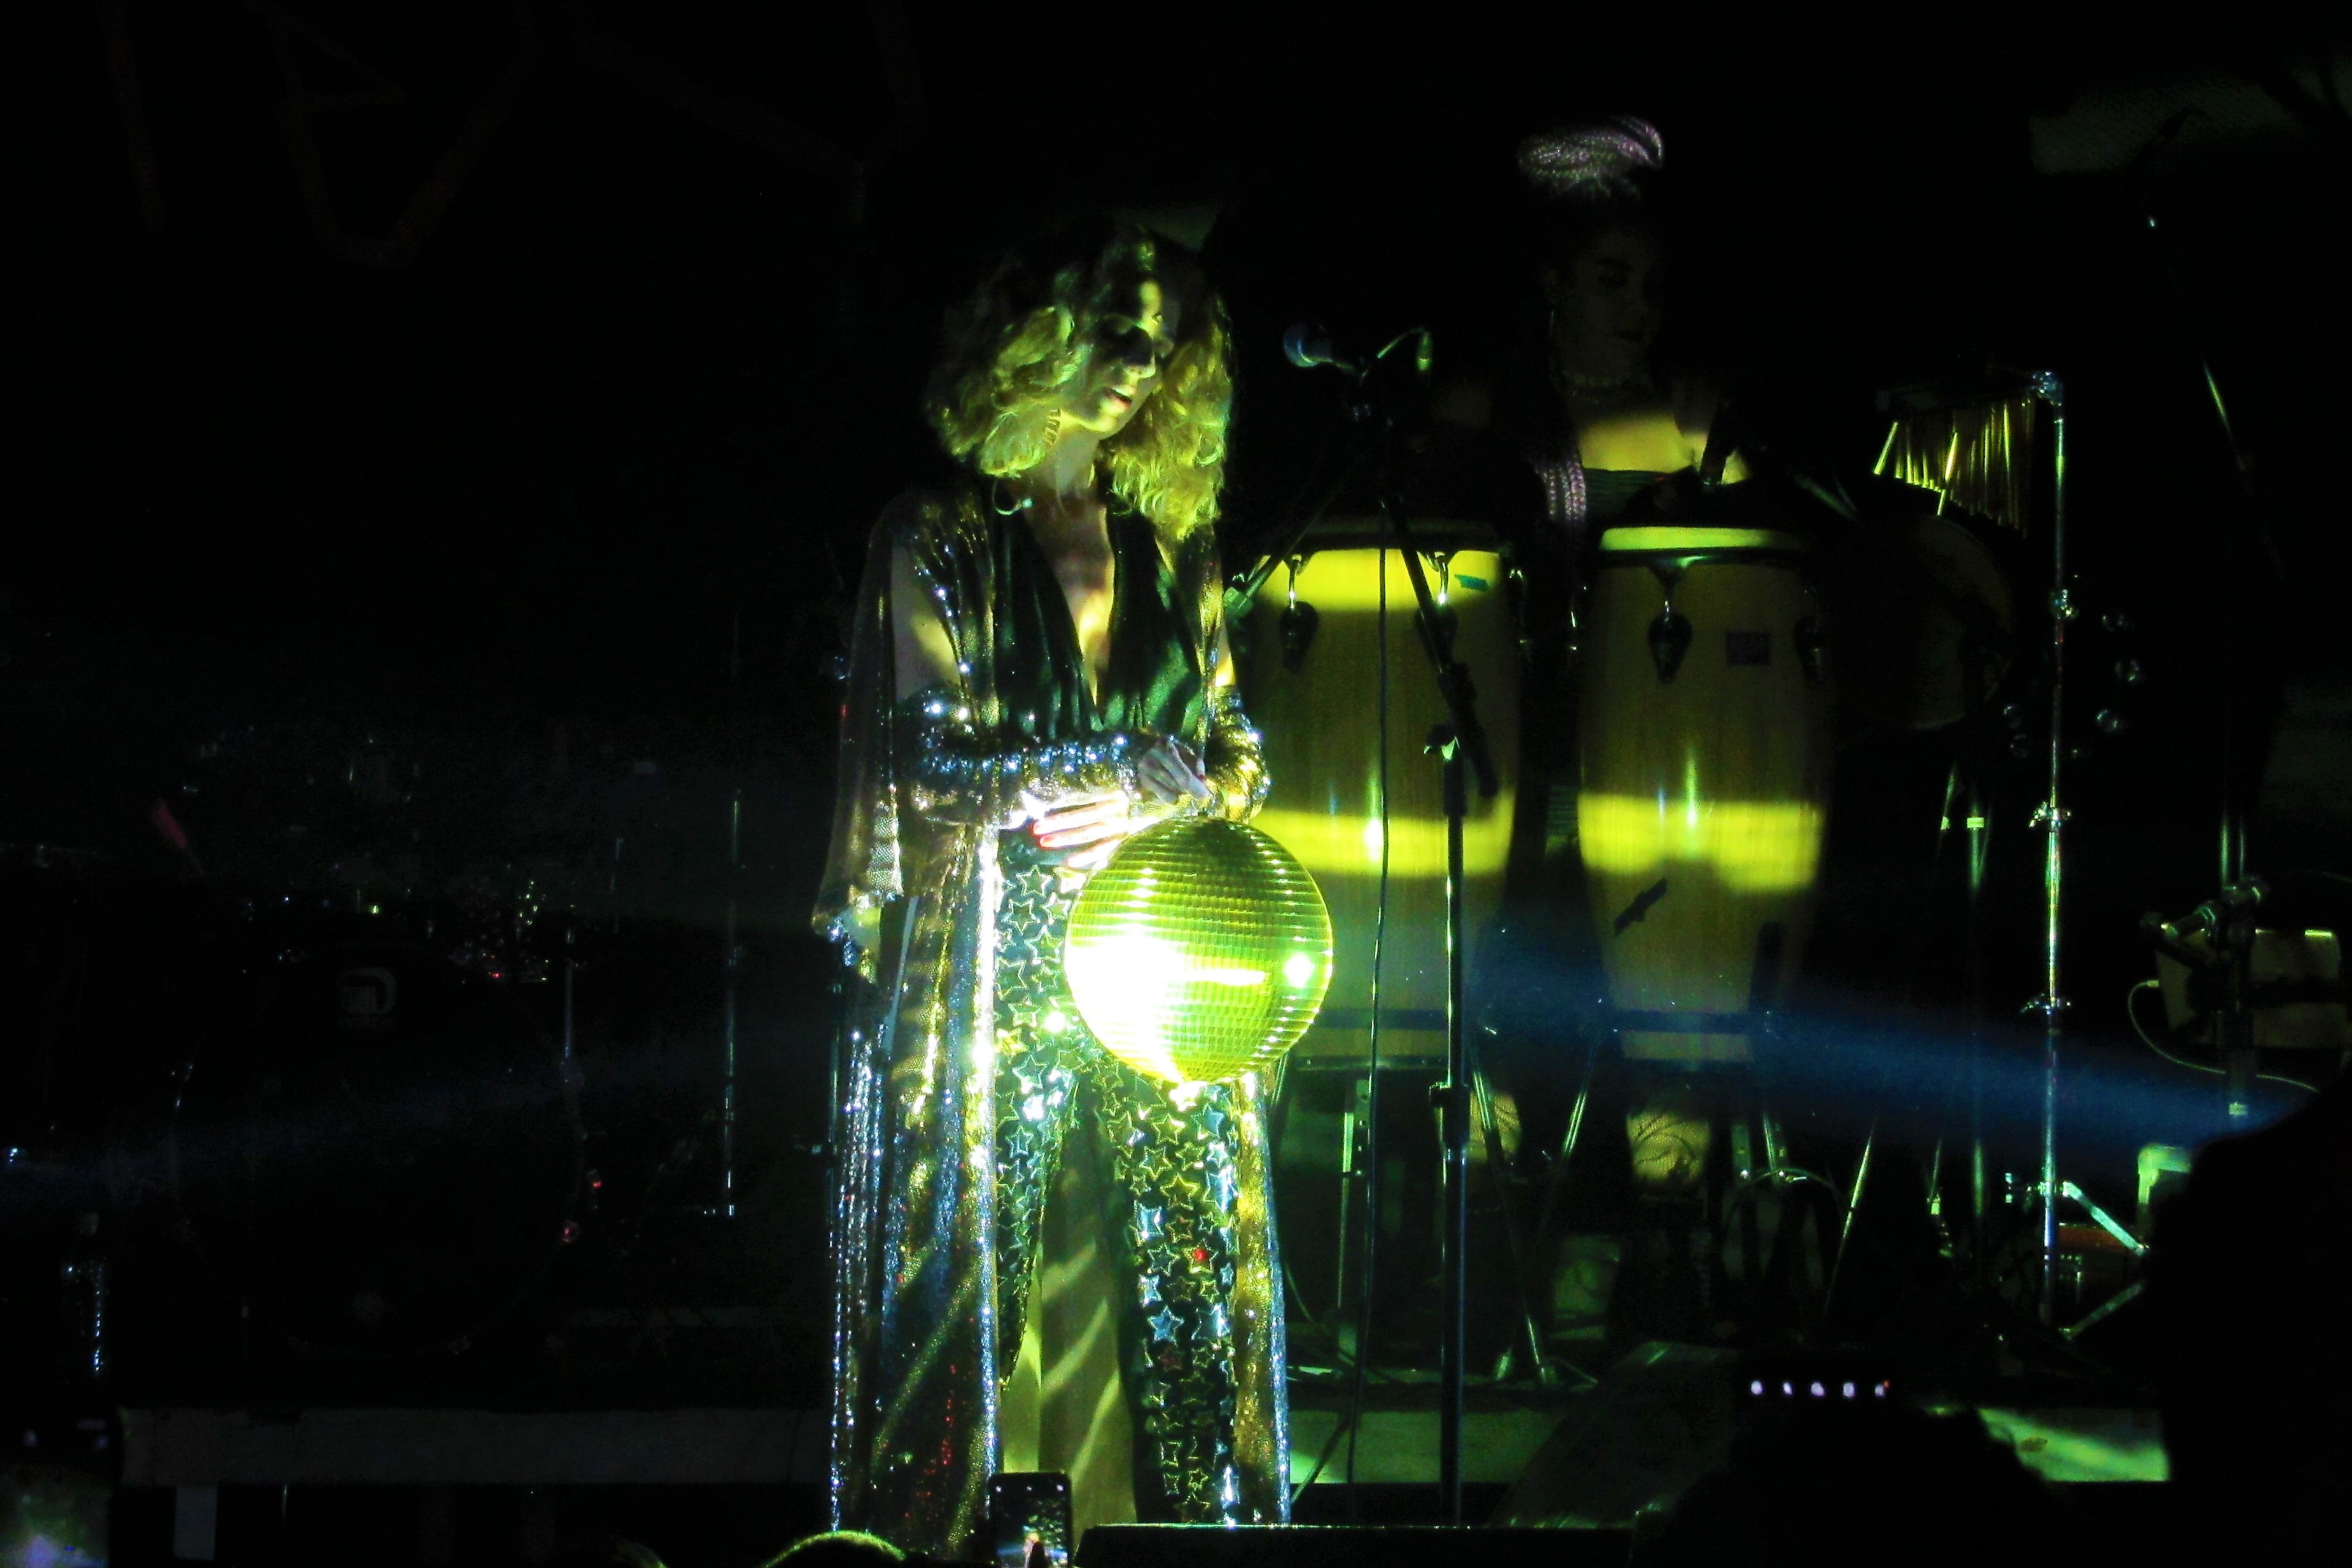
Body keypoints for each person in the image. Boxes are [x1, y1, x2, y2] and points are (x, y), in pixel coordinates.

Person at [815, 219, 1286, 1558]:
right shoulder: (938, 534)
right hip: (995, 971)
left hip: (1169, 975)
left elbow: (1240, 761)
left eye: (1162, 342)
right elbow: (928, 765)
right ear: (1039, 330)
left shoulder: (1174, 548)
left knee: (1178, 1291)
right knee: (981, 1284)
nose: (1141, 364)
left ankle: (1182, 1538)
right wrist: (1108, 763)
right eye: (1118, 329)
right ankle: (953, 1545)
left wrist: (1167, 790)